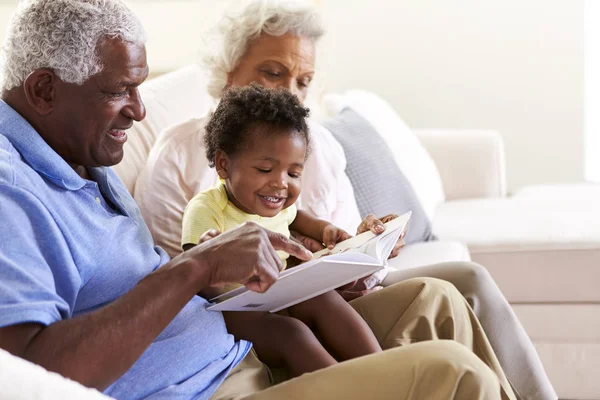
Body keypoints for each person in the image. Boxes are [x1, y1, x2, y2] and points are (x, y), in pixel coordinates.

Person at [0, 1, 519, 399]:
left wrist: (314, 269)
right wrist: (195, 268)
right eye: (120, 90)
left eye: (140, 89)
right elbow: (31, 372)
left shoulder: (79, 152)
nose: (138, 111)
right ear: (45, 90)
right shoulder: (11, 191)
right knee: (452, 372)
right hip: (205, 388)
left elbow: (149, 279)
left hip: (244, 348)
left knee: (440, 299)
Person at [133, 1, 557, 399]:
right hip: (245, 313)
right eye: (273, 72)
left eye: (302, 81)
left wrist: (364, 245)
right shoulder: (179, 155)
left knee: (465, 281)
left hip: (318, 295)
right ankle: (383, 380)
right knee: (447, 294)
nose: (289, 93)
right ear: (227, 73)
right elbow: (180, 277)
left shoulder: (316, 146)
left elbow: (335, 244)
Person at [182, 84, 382, 377]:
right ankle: (347, 388)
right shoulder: (206, 210)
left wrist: (326, 230)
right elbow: (199, 286)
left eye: (294, 173)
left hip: (278, 296)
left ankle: (385, 371)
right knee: (291, 333)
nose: (281, 184)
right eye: (265, 170)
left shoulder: (276, 204)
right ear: (224, 165)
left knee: (323, 297)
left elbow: (296, 217)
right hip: (234, 313)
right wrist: (211, 256)